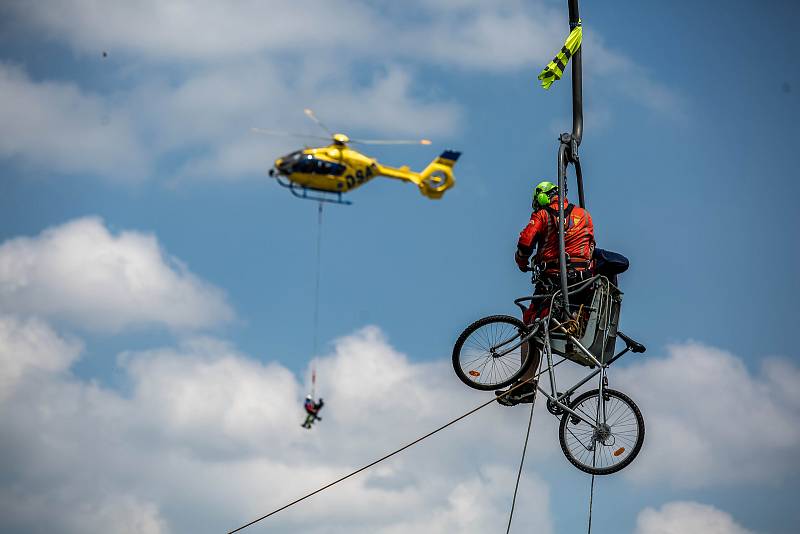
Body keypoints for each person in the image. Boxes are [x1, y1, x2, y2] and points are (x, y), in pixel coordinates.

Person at [496, 180, 596, 406]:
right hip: (582, 284)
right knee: (544, 326)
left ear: (541, 197)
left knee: (530, 328)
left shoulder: (543, 215)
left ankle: (526, 385)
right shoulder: (584, 215)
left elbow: (526, 240)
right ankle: (570, 326)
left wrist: (521, 261)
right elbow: (589, 246)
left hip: (555, 281)